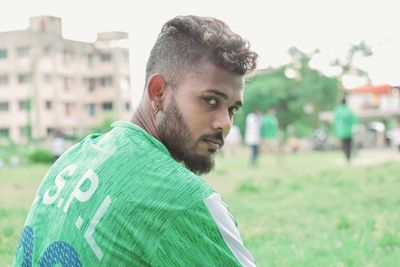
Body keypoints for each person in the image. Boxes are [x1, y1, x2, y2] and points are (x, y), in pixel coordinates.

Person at [13, 15, 258, 266]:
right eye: (210, 100)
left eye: (232, 109)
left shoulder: (72, 159)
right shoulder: (183, 200)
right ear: (158, 92)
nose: (225, 124)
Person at [333, 97, 357, 163]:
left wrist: (335, 130)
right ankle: (348, 157)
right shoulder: (349, 110)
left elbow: (335, 121)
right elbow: (354, 120)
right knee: (349, 145)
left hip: (341, 131)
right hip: (349, 131)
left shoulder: (337, 110)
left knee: (344, 145)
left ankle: (346, 157)